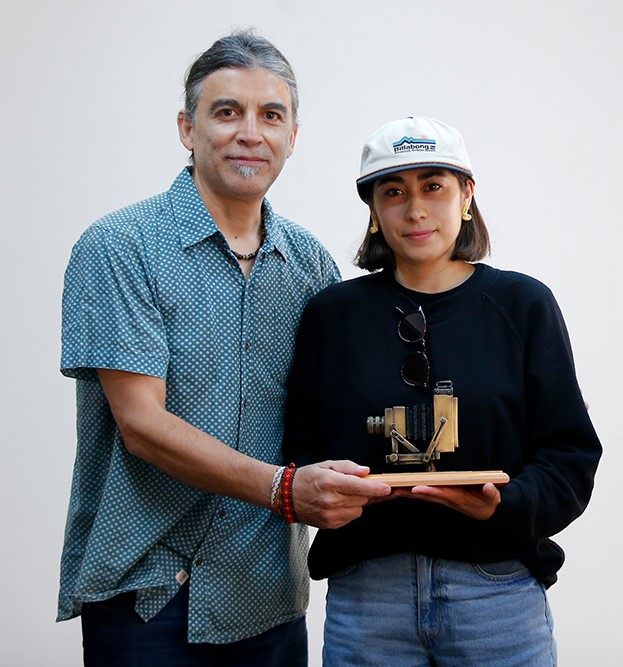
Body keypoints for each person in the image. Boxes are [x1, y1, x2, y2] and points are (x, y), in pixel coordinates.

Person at [58, 31, 391, 666]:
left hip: (265, 594)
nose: (250, 133)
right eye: (226, 111)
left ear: (293, 136)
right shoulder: (119, 247)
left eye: (272, 115)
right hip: (148, 596)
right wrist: (285, 489)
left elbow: (337, 412)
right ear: (188, 128)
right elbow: (142, 426)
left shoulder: (310, 266)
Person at [282, 116, 602, 666]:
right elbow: (300, 448)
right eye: (393, 192)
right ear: (374, 211)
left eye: (434, 186)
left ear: (467, 195)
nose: (415, 209)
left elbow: (570, 455)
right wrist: (331, 489)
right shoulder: (331, 316)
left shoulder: (525, 306)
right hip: (368, 594)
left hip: (496, 590)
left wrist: (503, 505)